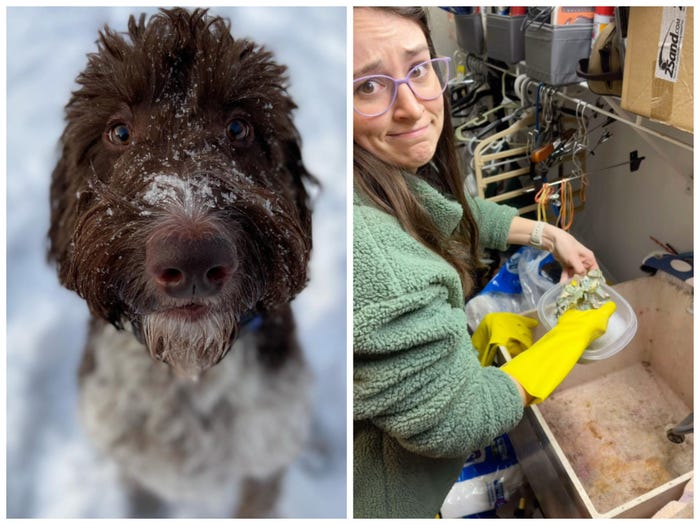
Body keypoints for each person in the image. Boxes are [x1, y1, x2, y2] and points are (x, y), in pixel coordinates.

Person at [353, 6, 614, 519]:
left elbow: (454, 210)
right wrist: (571, 334)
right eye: (367, 87)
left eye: (419, 68)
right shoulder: (371, 251)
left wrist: (548, 234)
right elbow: (462, 418)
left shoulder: (378, 174)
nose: (411, 107)